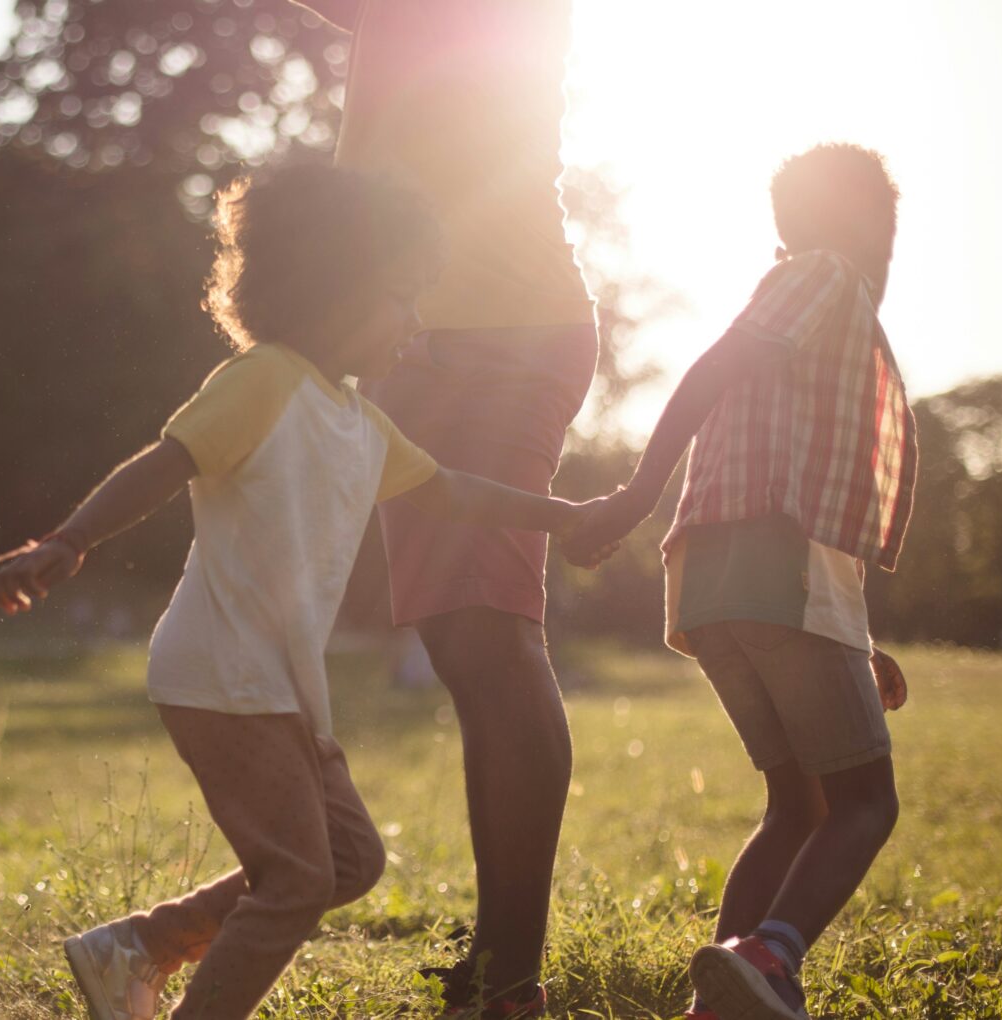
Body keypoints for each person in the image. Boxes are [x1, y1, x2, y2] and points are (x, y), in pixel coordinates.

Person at [0, 165, 603, 1020]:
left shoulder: (358, 419)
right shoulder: (266, 381)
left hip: (278, 686)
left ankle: (139, 947)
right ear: (333, 292)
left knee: (349, 863)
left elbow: (456, 493)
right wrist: (69, 539)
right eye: (402, 298)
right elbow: (165, 464)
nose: (417, 324)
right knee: (297, 880)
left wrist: (567, 515)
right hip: (222, 676)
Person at [290, 2, 598, 1015]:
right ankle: (501, 956)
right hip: (420, 337)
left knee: (491, 638)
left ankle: (513, 973)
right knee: (466, 647)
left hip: (500, 332)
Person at [562, 143, 917, 1020]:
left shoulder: (813, 299)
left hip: (720, 586)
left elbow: (792, 456)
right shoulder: (827, 277)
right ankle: (772, 955)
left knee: (794, 804)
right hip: (778, 571)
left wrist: (856, 635)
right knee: (866, 801)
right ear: (866, 223)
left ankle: (721, 999)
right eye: (890, 225)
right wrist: (638, 492)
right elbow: (716, 369)